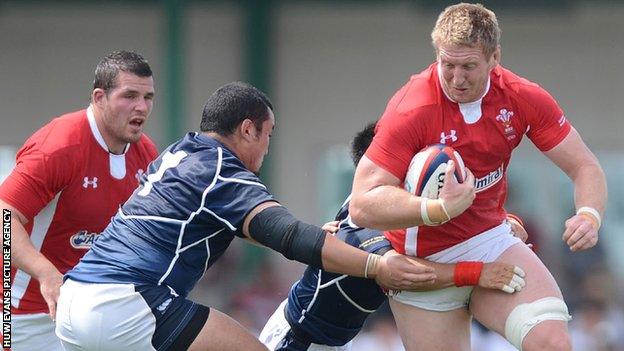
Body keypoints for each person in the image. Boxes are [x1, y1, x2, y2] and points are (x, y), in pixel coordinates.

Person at [54, 82, 441, 351]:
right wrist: (376, 266)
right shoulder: (223, 171)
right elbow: (288, 237)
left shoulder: (183, 152)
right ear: (247, 129)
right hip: (125, 303)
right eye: (268, 134)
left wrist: (311, 237)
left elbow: (247, 227)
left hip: (75, 302)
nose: (268, 147)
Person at [349, 3, 607, 351]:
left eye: (469, 66)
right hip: (423, 265)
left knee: (553, 343)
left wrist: (589, 215)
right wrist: (437, 209)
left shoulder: (521, 97)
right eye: (447, 65)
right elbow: (364, 204)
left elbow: (585, 167)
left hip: (490, 243)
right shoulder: (412, 108)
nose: (457, 79)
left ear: (494, 57)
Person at [259, 122, 527, 351]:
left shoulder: (397, 212)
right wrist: (477, 273)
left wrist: (504, 224)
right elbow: (404, 273)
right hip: (298, 338)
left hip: (335, 341)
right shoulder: (362, 221)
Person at [0, 51, 158, 351]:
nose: (141, 106)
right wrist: (45, 273)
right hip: (18, 316)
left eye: (148, 97)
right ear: (99, 97)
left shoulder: (146, 155)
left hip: (89, 314)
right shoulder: (60, 145)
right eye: (130, 95)